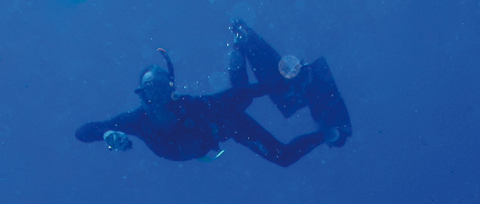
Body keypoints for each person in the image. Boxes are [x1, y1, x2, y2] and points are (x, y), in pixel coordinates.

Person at [75, 21, 351, 167]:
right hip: (219, 129)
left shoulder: (188, 106)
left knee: (277, 149)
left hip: (228, 124)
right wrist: (106, 134)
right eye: (151, 89)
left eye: (163, 88)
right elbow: (85, 131)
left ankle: (240, 48)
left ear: (170, 88)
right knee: (247, 106)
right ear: (141, 94)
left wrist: (280, 84)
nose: (158, 95)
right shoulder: (135, 121)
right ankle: (327, 133)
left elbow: (235, 96)